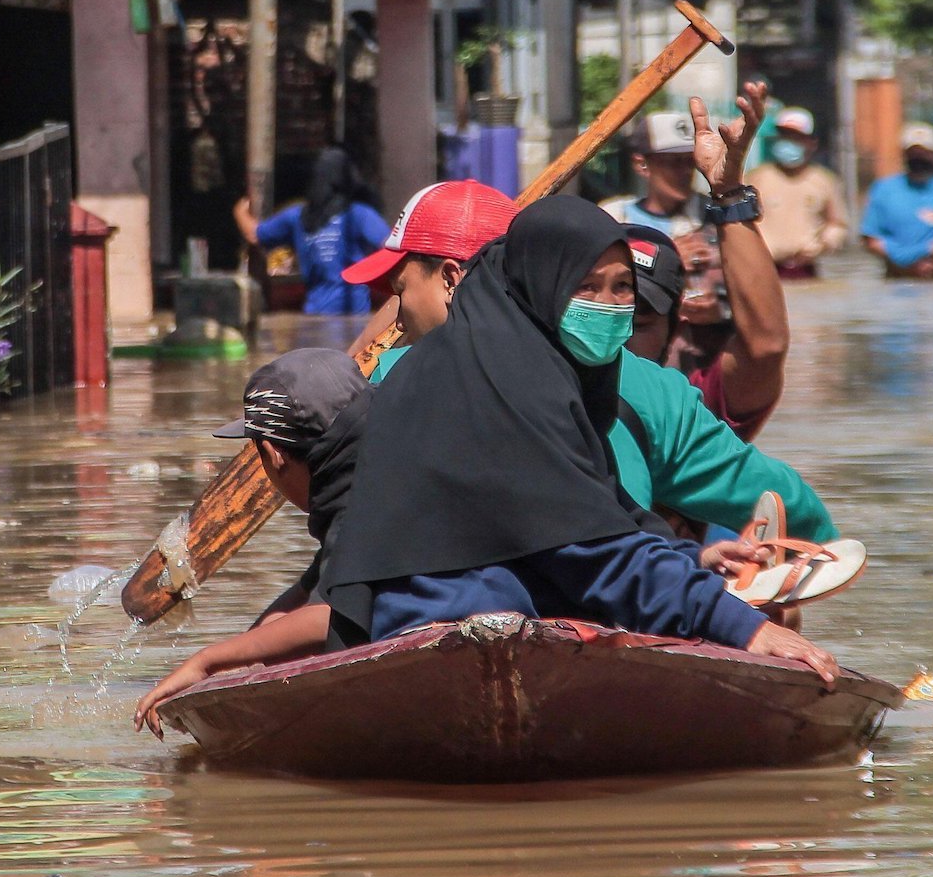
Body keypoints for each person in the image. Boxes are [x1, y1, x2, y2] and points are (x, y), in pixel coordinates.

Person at [318, 198, 836, 681]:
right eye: (584, 287)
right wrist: (744, 627)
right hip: (445, 624)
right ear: (540, 287)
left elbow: (595, 511)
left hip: (518, 603)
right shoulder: (499, 381)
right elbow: (586, 546)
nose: (608, 307)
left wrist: (693, 561)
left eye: (621, 288)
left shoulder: (540, 370)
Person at [133, 350, 366, 732]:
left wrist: (208, 662)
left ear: (273, 455)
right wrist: (239, 663)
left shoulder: (359, 505)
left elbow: (335, 613)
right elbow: (311, 593)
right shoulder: (371, 470)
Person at [619, 86, 790, 438]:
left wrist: (728, 195)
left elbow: (762, 326)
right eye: (671, 162)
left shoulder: (694, 408)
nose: (683, 172)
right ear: (643, 164)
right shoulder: (610, 218)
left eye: (688, 161)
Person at [341, 179, 519, 364]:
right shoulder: (539, 360)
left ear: (450, 280)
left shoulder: (417, 383)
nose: (399, 324)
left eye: (401, 293)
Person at [233, 148, 391, 315]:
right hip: (355, 318)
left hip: (315, 317)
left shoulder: (296, 217)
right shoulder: (358, 215)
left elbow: (254, 234)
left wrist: (239, 211)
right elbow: (391, 247)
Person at [861, 122, 933, 280]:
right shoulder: (883, 190)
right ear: (904, 155)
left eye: (925, 153)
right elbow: (870, 238)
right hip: (893, 280)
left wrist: (921, 252)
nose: (919, 158)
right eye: (914, 153)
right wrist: (900, 257)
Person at [753, 106, 850, 278]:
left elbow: (837, 223)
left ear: (812, 143)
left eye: (796, 138)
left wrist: (822, 244)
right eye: (784, 136)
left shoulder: (824, 180)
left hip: (805, 269)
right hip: (763, 266)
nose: (789, 142)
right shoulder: (757, 178)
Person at [601, 111, 705, 239]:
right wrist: (669, 257)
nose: (686, 170)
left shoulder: (711, 215)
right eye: (674, 161)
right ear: (641, 164)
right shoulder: (613, 216)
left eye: (691, 160)